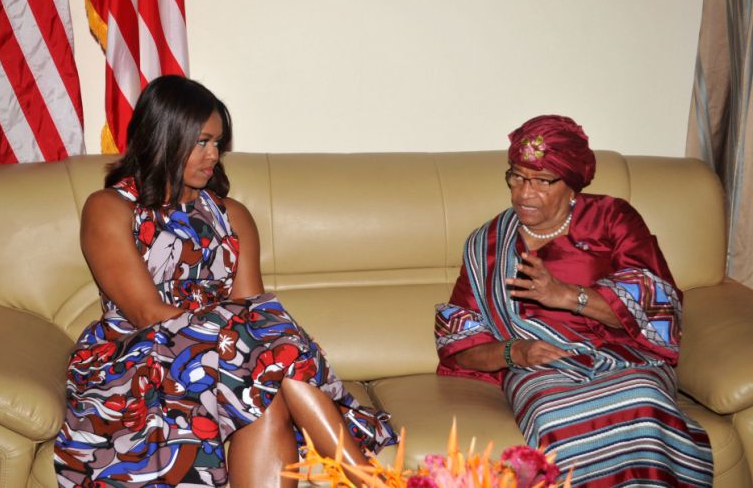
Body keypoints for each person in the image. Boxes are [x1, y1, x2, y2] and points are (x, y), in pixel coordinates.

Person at [54, 75, 398, 487]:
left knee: (263, 393)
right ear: (164, 137)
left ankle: (366, 480)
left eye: (217, 143)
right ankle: (366, 478)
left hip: (231, 359)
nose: (213, 155)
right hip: (138, 359)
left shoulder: (232, 215)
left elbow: (253, 306)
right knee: (262, 355)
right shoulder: (109, 208)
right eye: (201, 141)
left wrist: (243, 344)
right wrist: (239, 338)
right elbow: (146, 312)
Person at [434, 115, 713, 487]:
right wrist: (516, 352)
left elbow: (657, 310)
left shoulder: (612, 219)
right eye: (516, 177)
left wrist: (566, 295)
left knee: (641, 400)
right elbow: (459, 344)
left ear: (572, 186)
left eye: (542, 181)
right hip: (540, 371)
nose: (523, 193)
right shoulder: (487, 245)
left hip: (624, 359)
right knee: (551, 414)